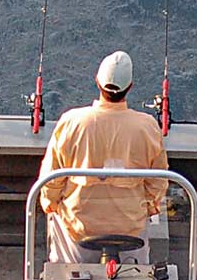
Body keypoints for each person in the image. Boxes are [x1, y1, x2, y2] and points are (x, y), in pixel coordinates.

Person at [38, 50, 168, 265]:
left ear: (97, 82)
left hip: (78, 227)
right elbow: (157, 182)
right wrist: (148, 208)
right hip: (129, 230)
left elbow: (51, 180)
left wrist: (50, 203)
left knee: (57, 221)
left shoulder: (72, 122)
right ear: (130, 87)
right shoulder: (147, 126)